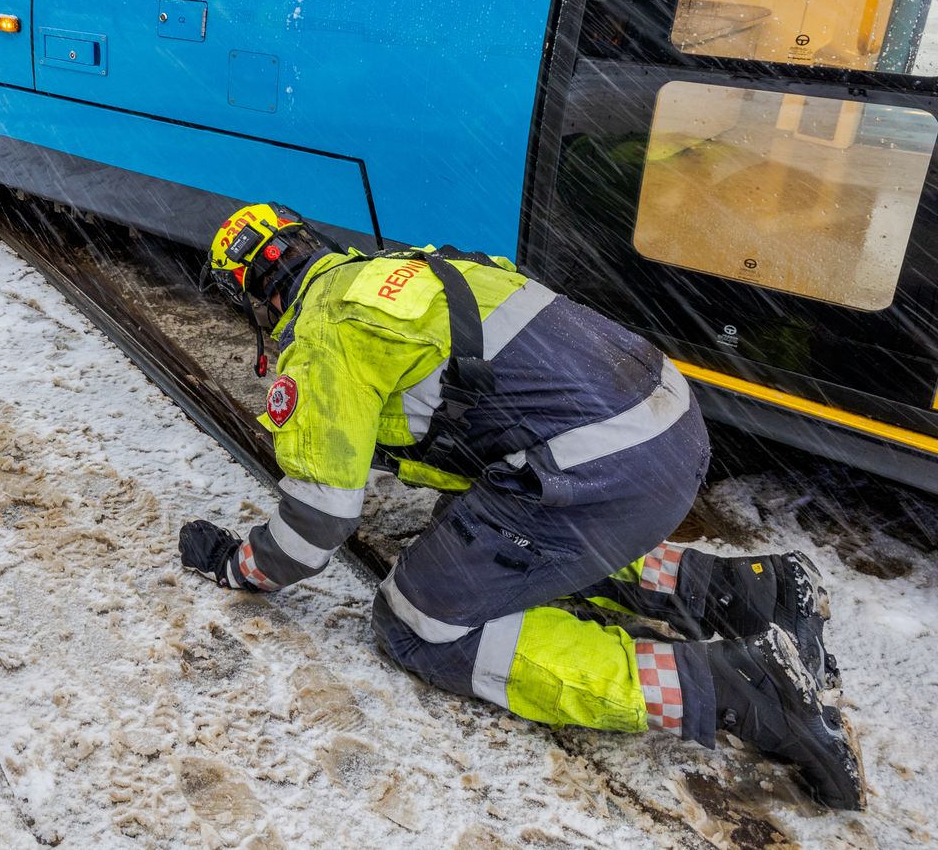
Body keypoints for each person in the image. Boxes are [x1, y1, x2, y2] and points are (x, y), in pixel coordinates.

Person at [177, 203, 864, 810]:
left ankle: (742, 685)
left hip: (604, 474)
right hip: (670, 431)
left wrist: (238, 566)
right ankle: (754, 589)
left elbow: (316, 528)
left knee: (418, 619)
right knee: (497, 533)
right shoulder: (415, 267)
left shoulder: (326, 332)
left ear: (259, 299)